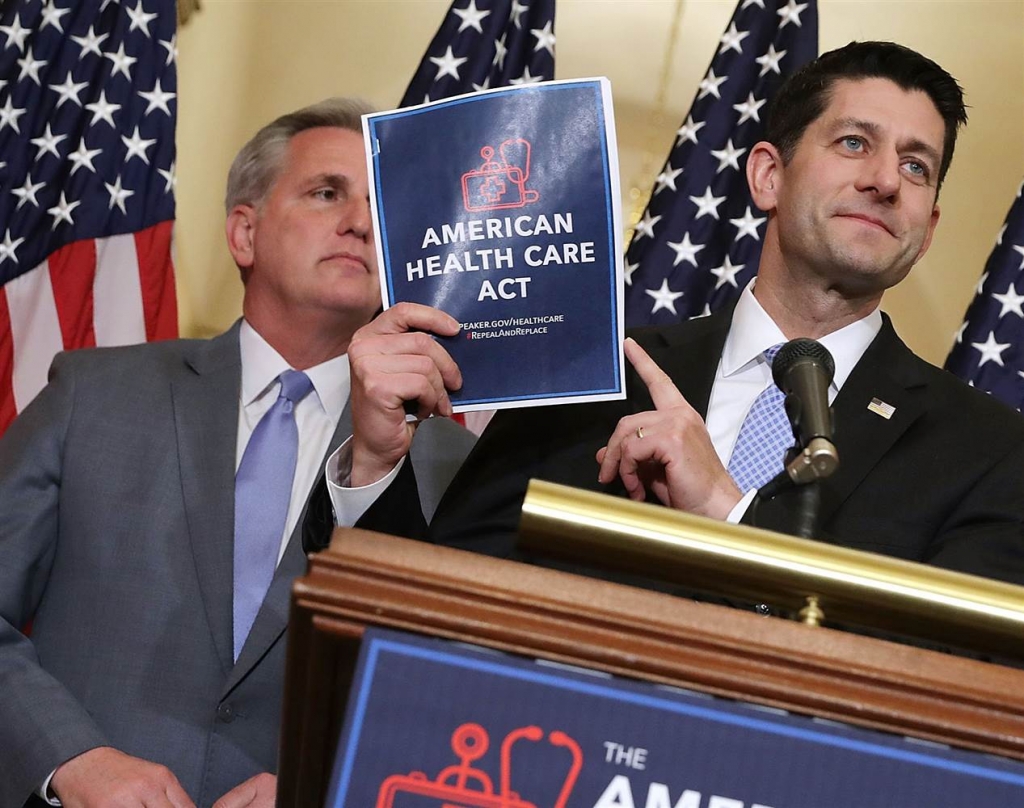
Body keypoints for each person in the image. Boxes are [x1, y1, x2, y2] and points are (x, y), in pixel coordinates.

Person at [324, 41, 1024, 589]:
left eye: (916, 167)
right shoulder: (593, 371)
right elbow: (445, 601)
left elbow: (956, 681)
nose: (882, 180)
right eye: (853, 143)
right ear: (768, 178)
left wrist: (730, 518)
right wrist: (376, 467)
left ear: (927, 230)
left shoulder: (987, 453)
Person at [0, 98, 474, 807]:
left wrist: (325, 787)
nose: (362, 222)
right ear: (244, 233)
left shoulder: (446, 461)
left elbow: (452, 699)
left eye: (382, 206)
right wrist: (70, 758)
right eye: (326, 193)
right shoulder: (93, 394)